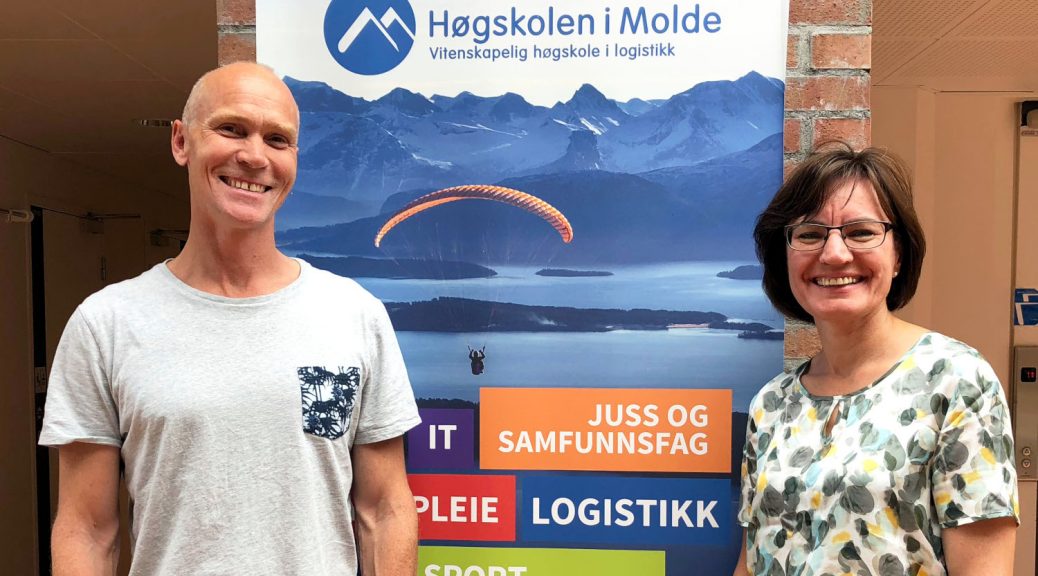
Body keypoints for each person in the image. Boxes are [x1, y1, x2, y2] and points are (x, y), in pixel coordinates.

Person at [39, 62, 421, 575]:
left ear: (294, 159)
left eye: (277, 139)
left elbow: (385, 509)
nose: (255, 156)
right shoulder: (106, 325)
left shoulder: (354, 315)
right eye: (231, 129)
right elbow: (87, 529)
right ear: (181, 142)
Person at [734, 144, 1018, 576]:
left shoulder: (956, 381)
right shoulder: (771, 405)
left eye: (861, 232)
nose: (834, 254)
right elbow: (752, 561)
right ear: (785, 256)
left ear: (899, 254)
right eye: (809, 234)